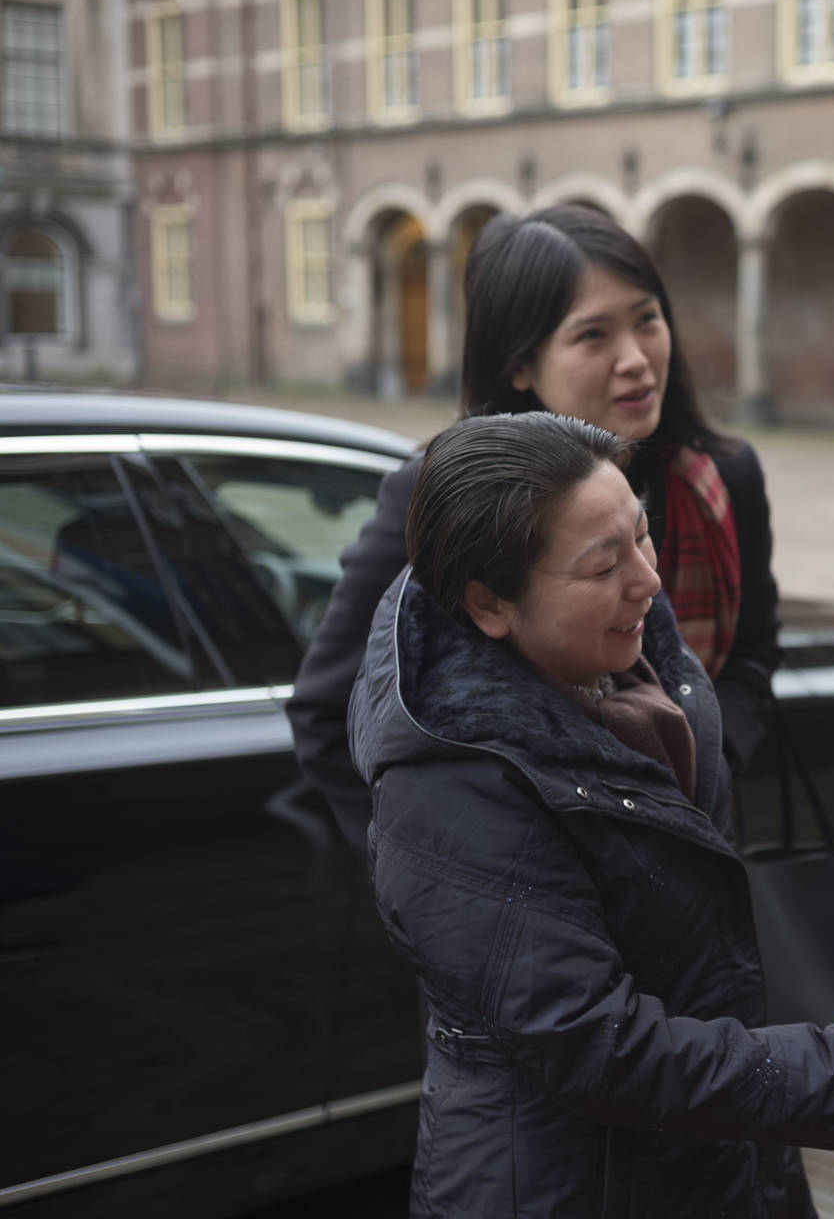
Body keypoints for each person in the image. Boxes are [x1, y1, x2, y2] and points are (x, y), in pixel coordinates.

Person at [348, 412, 834, 1219]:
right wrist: (833, 1070)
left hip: (716, 1166)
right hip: (569, 1218)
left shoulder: (629, 665)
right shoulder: (450, 782)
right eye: (603, 565)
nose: (647, 578)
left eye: (640, 533)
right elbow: (588, 1037)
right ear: (488, 603)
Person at [291, 205, 781, 859]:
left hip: (700, 855)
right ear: (520, 365)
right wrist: (438, 877)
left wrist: (700, 759)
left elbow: (752, 655)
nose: (635, 359)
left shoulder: (722, 480)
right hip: (530, 884)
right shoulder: (439, 499)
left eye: (647, 319)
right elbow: (329, 711)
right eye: (592, 336)